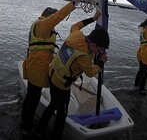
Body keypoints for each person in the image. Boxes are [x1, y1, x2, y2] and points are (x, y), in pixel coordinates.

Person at [35, 9, 109, 140]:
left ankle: (40, 130)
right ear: (92, 44)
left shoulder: (76, 34)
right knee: (62, 112)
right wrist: (101, 63)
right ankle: (53, 135)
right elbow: (91, 72)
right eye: (99, 49)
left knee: (54, 105)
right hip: (61, 84)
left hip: (52, 73)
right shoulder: (84, 57)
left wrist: (93, 18)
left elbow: (77, 25)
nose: (100, 52)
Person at [20, 0, 85, 137]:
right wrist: (75, 1)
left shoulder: (39, 25)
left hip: (34, 65)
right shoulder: (43, 24)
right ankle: (26, 127)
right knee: (33, 98)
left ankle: (25, 122)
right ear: (48, 16)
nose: (54, 25)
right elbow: (59, 16)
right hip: (36, 67)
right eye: (52, 20)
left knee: (31, 96)